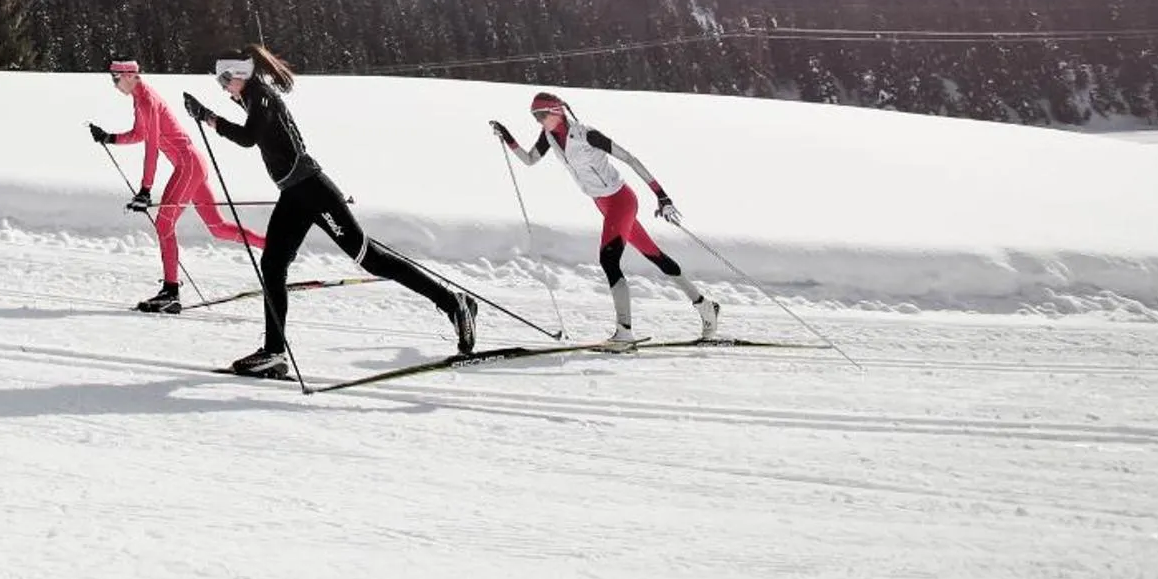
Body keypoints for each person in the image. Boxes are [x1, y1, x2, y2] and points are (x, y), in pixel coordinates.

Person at [183, 45, 476, 380]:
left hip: (313, 191)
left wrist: (208, 117)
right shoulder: (252, 97)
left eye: (224, 78)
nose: (222, 85)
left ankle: (454, 303)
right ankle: (274, 353)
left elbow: (249, 138)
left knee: (371, 259)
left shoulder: (260, 95)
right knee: (273, 264)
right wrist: (211, 113)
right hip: (294, 194)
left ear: (240, 73)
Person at [492, 91, 720, 345]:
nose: (538, 120)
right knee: (656, 256)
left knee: (609, 260)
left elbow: (630, 159)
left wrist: (662, 196)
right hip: (604, 204)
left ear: (557, 111)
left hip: (621, 200)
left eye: (541, 115)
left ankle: (624, 332)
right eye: (535, 116)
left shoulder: (586, 134)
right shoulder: (548, 137)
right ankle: (705, 306)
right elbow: (530, 160)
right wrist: (508, 138)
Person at [89, 59, 265, 312]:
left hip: (188, 165)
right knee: (218, 228)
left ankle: (171, 292)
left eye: (115, 78)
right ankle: (274, 248)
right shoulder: (141, 99)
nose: (114, 84)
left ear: (129, 76)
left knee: (164, 223)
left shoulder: (147, 101)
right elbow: (140, 134)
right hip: (193, 164)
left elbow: (152, 148)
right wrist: (110, 138)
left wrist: (146, 189)